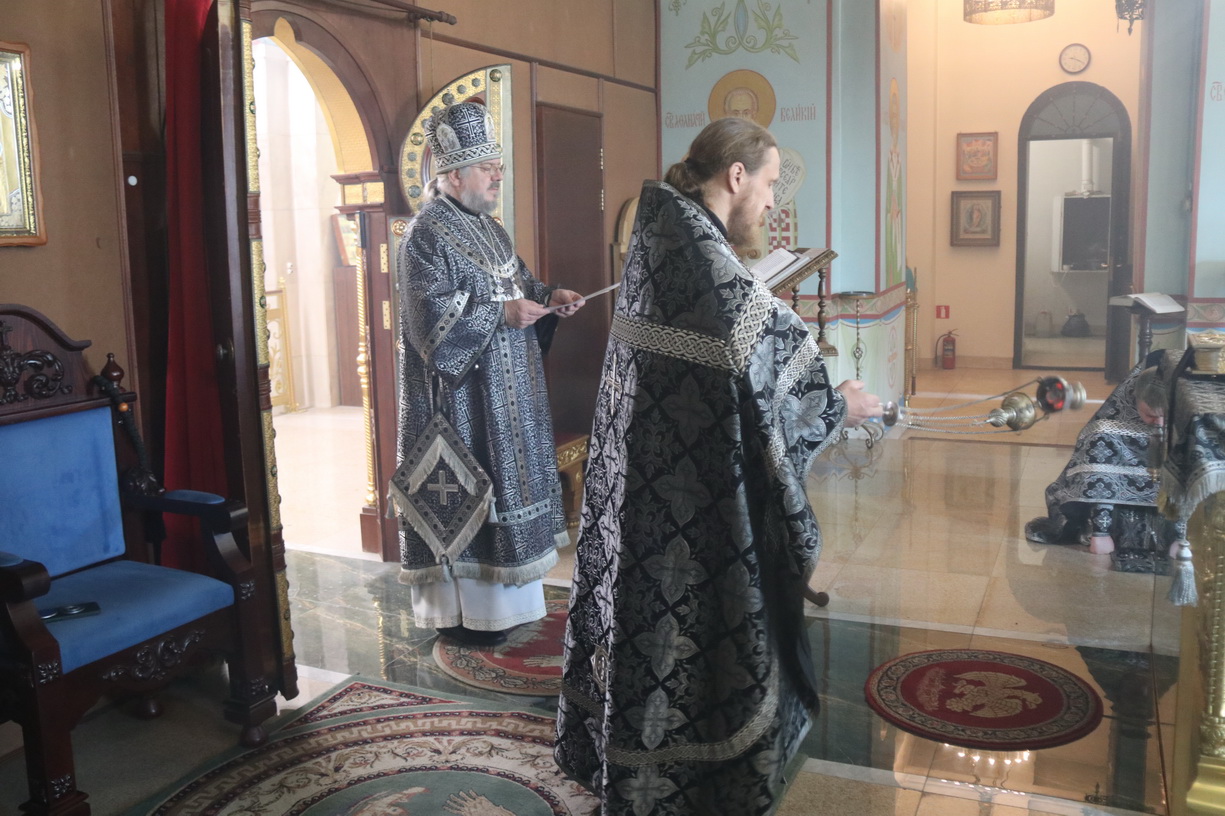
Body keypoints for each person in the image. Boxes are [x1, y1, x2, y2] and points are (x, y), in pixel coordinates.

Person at [554, 117, 883, 815]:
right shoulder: (706, 265)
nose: (769, 204)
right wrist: (839, 406)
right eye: (768, 185)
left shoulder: (661, 240)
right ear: (736, 176)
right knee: (693, 642)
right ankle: (699, 783)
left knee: (645, 638)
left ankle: (628, 765)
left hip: (640, 501)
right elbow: (771, 388)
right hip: (693, 514)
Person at [390, 101, 585, 647]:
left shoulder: (491, 230)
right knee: (472, 500)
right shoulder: (424, 233)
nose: (498, 176)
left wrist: (550, 296)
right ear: (453, 175)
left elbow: (517, 283)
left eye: (498, 166)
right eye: (487, 168)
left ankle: (509, 607)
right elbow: (427, 320)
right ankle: (466, 614)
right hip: (461, 403)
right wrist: (500, 315)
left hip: (512, 393)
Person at [1025, 351, 1170, 562]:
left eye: (1165, 416)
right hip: (1112, 518)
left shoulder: (1183, 427)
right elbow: (1099, 485)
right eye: (1150, 415)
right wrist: (1100, 534)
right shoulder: (1104, 432)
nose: (1159, 424)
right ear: (1134, 399)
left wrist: (1179, 537)